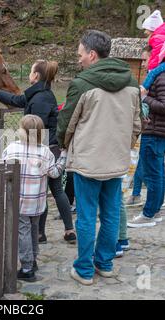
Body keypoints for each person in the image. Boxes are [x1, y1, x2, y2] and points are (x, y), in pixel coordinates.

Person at [57, 30, 141, 285]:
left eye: (80, 54)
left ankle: (84, 269)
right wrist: (123, 146)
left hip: (88, 162)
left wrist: (65, 145)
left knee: (85, 215)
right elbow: (137, 124)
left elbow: (66, 124)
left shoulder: (82, 84)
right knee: (111, 213)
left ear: (92, 55)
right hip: (116, 161)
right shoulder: (132, 83)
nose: (79, 59)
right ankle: (104, 263)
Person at [0, 60, 76, 244]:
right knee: (49, 189)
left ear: (35, 75)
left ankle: (65, 230)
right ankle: (47, 232)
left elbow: (37, 128)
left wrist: (33, 151)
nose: (29, 74)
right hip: (47, 148)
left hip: (47, 149)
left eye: (31, 70)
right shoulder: (38, 93)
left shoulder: (41, 98)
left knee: (53, 190)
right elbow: (17, 100)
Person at [127, 41, 165, 228]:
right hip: (159, 130)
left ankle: (149, 213)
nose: (143, 64)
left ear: (156, 56)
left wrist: (144, 97)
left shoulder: (164, 78)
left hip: (156, 131)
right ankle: (156, 208)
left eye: (145, 60)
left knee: (152, 174)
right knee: (157, 172)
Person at [3, 115, 67, 282]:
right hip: (37, 201)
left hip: (18, 200)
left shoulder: (11, 148)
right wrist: (63, 157)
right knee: (34, 230)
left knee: (23, 232)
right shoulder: (45, 152)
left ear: (21, 131)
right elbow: (54, 173)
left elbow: (2, 168)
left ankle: (26, 268)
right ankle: (33, 260)